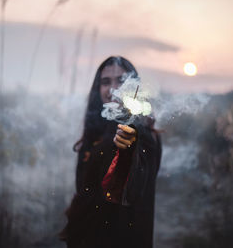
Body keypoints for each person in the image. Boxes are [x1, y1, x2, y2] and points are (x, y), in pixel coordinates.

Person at [59, 56, 162, 248]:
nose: (113, 89)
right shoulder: (96, 131)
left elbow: (132, 188)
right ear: (97, 89)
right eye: (106, 82)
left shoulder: (143, 134)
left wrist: (128, 150)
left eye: (122, 81)